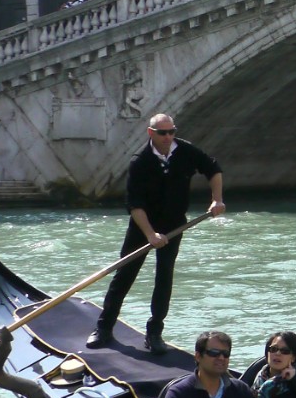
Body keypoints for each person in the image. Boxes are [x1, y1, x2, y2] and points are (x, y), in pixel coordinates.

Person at [87, 113, 225, 353]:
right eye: (163, 133)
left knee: (164, 277)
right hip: (142, 226)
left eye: (172, 131)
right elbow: (135, 205)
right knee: (124, 275)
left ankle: (154, 333)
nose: (168, 137)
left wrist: (217, 200)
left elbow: (213, 169)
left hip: (174, 225)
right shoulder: (140, 162)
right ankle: (104, 327)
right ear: (151, 133)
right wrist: (150, 234)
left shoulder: (185, 151)